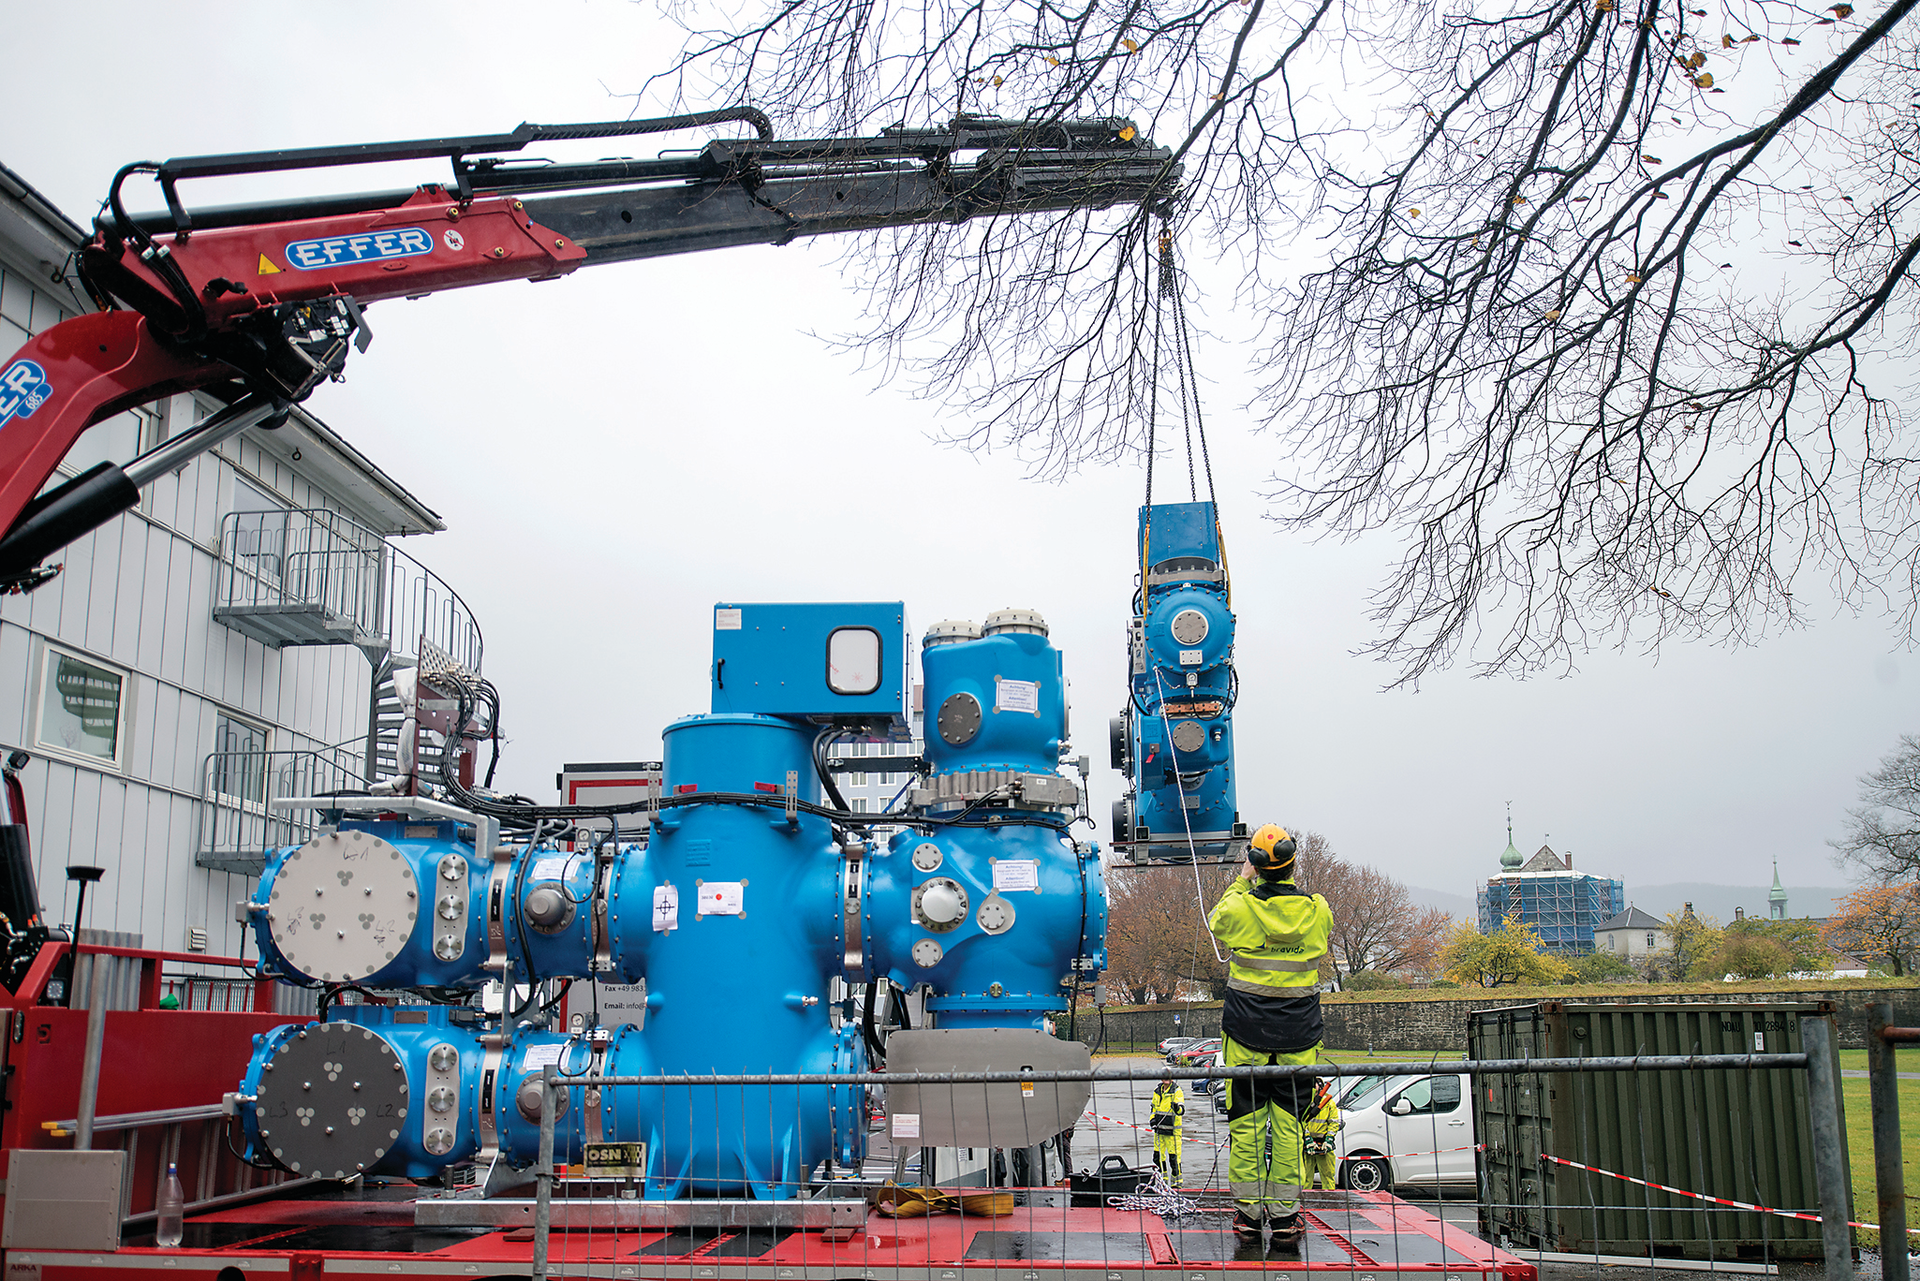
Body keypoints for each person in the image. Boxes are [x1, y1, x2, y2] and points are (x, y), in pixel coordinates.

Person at [1208, 823, 1332, 1243]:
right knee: (1290, 1126)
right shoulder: (1318, 911)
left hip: (1246, 1032)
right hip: (1299, 1035)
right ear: (1294, 864)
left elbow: (1219, 919)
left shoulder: (1240, 908)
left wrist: (1242, 881)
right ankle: (1284, 1218)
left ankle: (1246, 1216)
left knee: (1246, 1124)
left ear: (1256, 867)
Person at [1301, 1077, 1342, 1190]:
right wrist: (1307, 1139)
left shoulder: (1329, 1104)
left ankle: (1329, 1199)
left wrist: (1328, 1140)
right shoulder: (1306, 1102)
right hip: (1308, 1145)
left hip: (1324, 1143)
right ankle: (1305, 1201)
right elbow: (1302, 1122)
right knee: (1305, 1177)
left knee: (1327, 1175)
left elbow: (1334, 1123)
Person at [1149, 1071, 1185, 1186]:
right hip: (1159, 1130)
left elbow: (1181, 1110)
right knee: (1158, 1157)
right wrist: (1152, 1120)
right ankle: (1162, 1181)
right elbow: (1153, 1108)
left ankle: (1176, 1183)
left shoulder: (1176, 1091)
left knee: (1174, 1158)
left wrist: (1176, 1107)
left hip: (1172, 1131)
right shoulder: (1157, 1091)